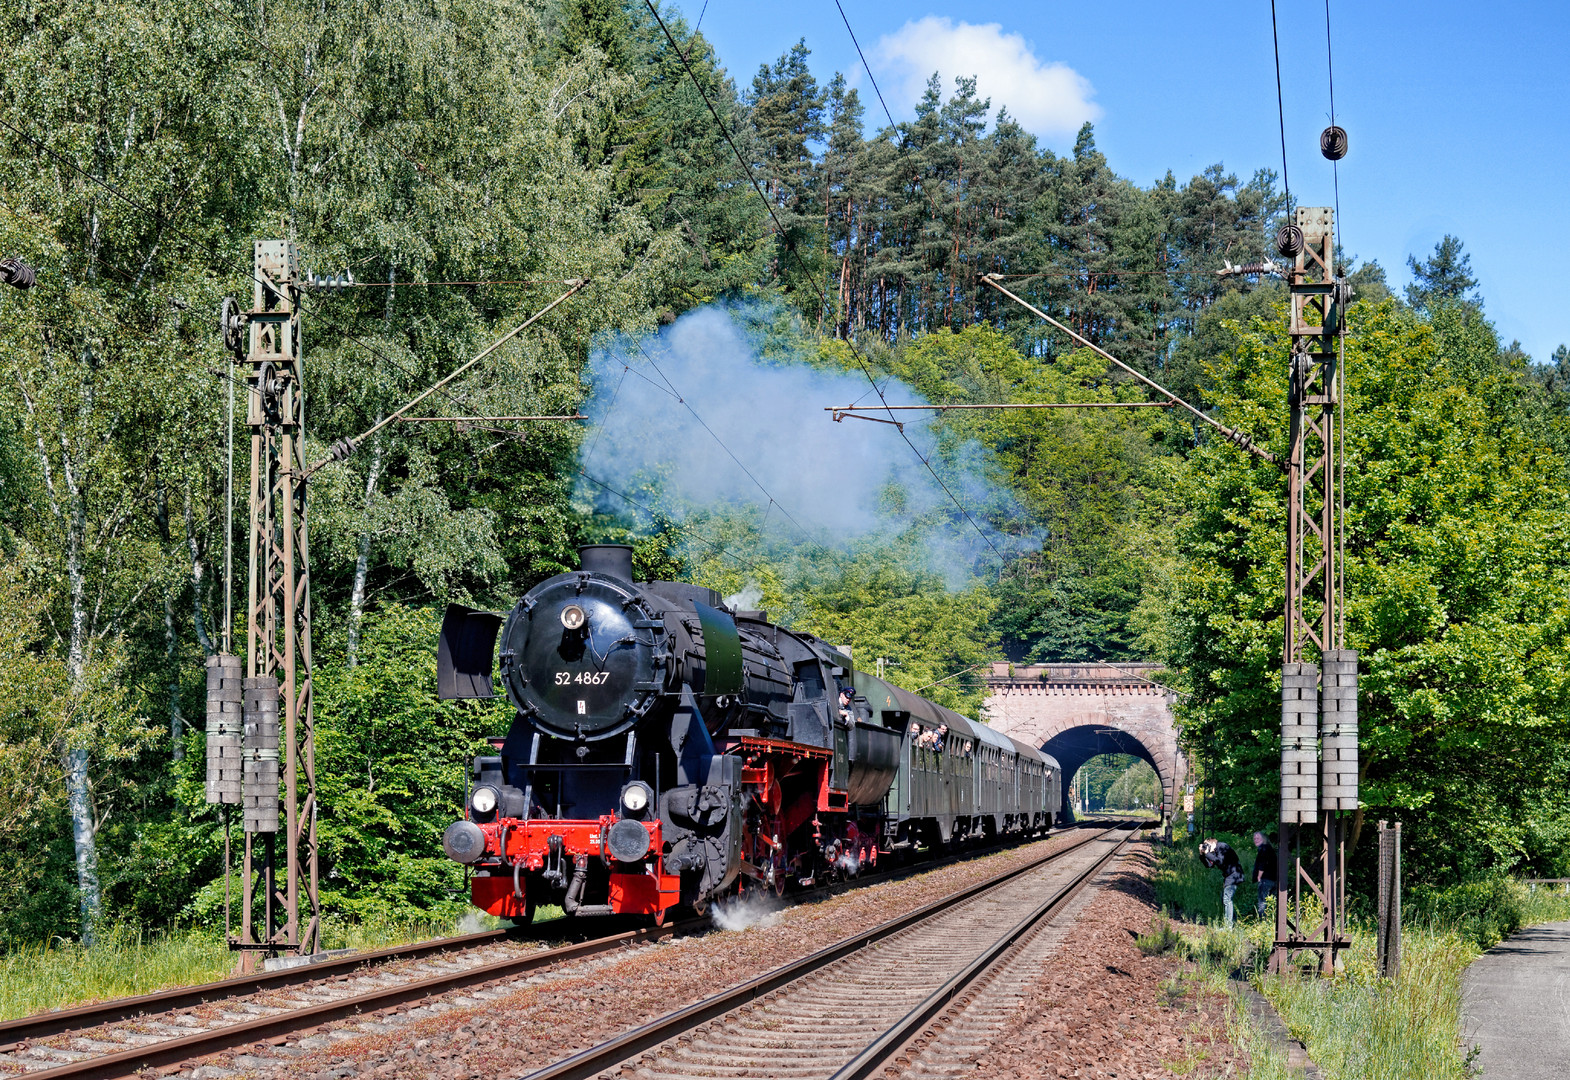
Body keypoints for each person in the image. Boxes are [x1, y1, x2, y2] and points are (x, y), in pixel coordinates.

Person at [1199, 838, 1245, 928]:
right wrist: (1202, 855)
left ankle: (1228, 926)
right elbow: (1209, 865)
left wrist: (1207, 853)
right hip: (1229, 876)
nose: (1206, 848)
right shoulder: (1215, 851)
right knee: (1224, 898)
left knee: (1227, 899)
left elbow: (1220, 861)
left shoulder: (1222, 846)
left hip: (1234, 875)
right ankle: (1233, 922)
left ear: (1212, 844)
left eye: (1207, 845)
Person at [1252, 831, 1278, 918]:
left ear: (1263, 839)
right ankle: (1272, 919)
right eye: (1254, 838)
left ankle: (1263, 921)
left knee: (1262, 902)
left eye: (1258, 838)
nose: (1255, 840)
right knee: (1272, 901)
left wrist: (1259, 877)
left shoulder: (1263, 849)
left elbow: (1262, 864)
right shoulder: (1270, 848)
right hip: (1273, 879)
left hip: (1266, 880)